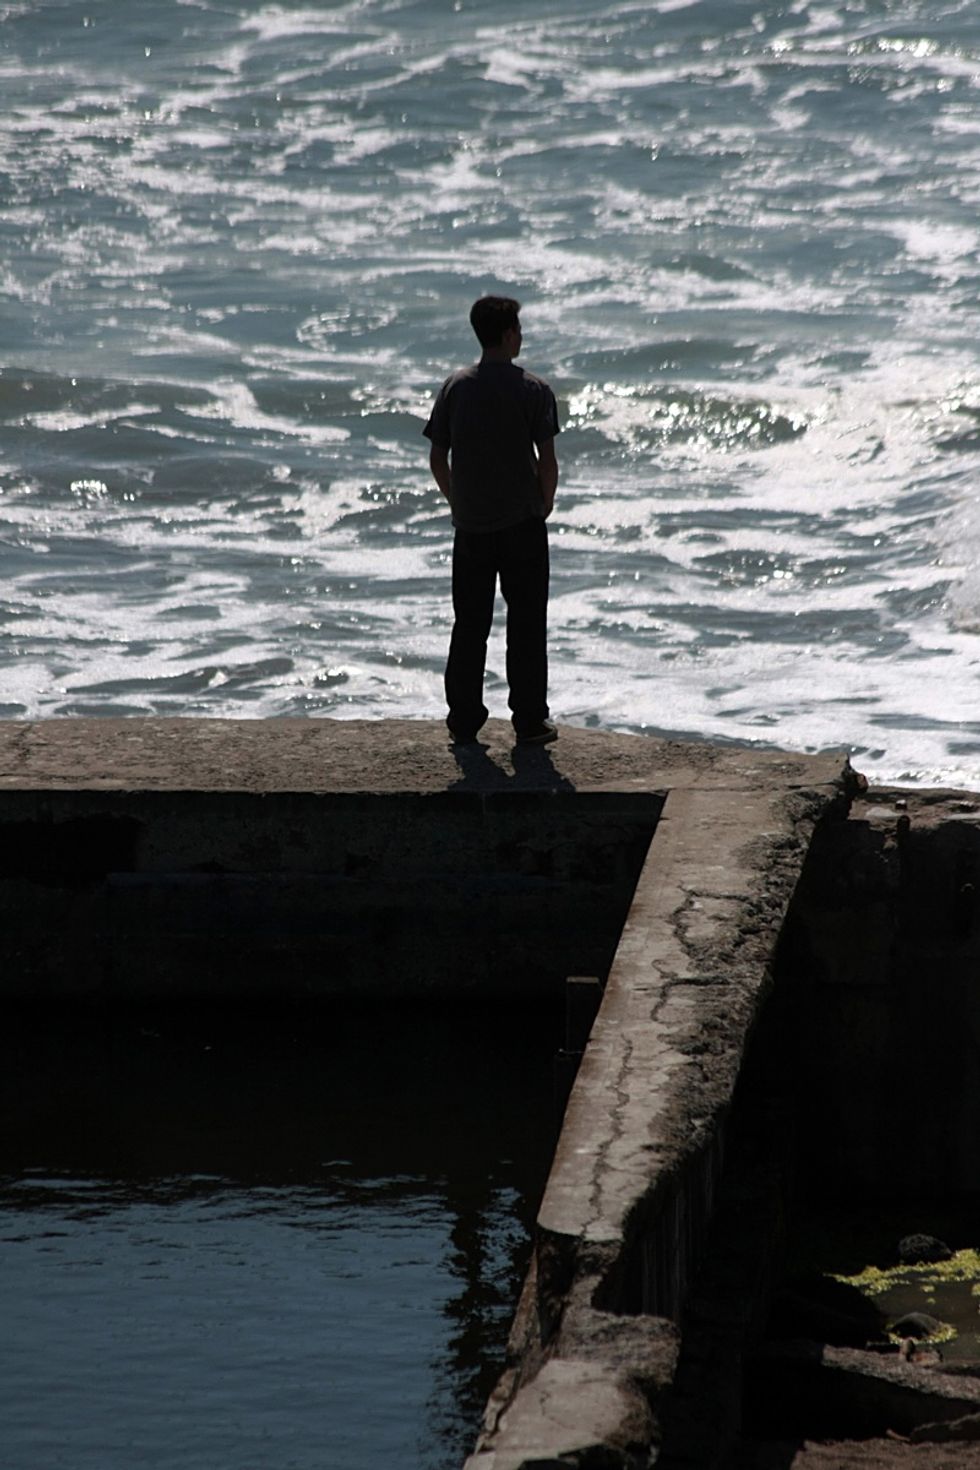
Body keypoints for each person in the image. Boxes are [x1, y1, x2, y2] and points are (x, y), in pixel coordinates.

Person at [423, 295, 560, 746]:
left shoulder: (456, 387)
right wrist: (544, 503)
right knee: (526, 623)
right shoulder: (534, 389)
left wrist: (457, 500)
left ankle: (463, 720)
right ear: (507, 335)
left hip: (472, 526)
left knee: (470, 624)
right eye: (518, 329)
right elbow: (547, 460)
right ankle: (529, 720)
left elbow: (437, 457)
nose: (521, 336)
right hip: (523, 524)